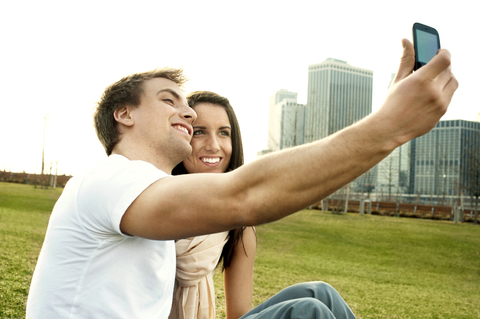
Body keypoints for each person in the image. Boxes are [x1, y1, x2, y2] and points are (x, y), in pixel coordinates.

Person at [26, 39, 457, 319]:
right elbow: (244, 195)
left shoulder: (145, 191)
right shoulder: (109, 178)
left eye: (187, 105)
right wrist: (388, 128)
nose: (190, 113)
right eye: (168, 100)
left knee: (318, 294)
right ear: (125, 114)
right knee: (306, 313)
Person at [168, 91, 356, 319]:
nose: (214, 145)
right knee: (309, 310)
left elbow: (238, 314)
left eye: (224, 133)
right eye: (199, 132)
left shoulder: (238, 224)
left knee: (320, 293)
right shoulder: (157, 201)